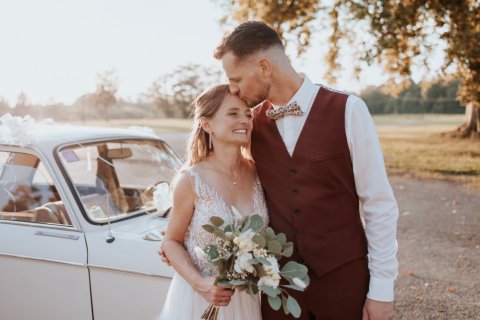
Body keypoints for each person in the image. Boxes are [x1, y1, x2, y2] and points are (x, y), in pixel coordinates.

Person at [213, 21, 399, 320]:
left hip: (344, 281)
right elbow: (221, 175)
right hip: (279, 287)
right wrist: (182, 235)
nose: (232, 89)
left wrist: (382, 290)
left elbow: (379, 204)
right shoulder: (250, 125)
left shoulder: (349, 110)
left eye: (235, 79)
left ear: (264, 67)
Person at [158, 83, 268, 320]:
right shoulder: (190, 179)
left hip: (246, 299)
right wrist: (201, 284)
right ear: (207, 124)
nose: (244, 120)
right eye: (233, 113)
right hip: (199, 299)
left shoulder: (260, 173)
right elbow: (171, 242)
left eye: (248, 115)